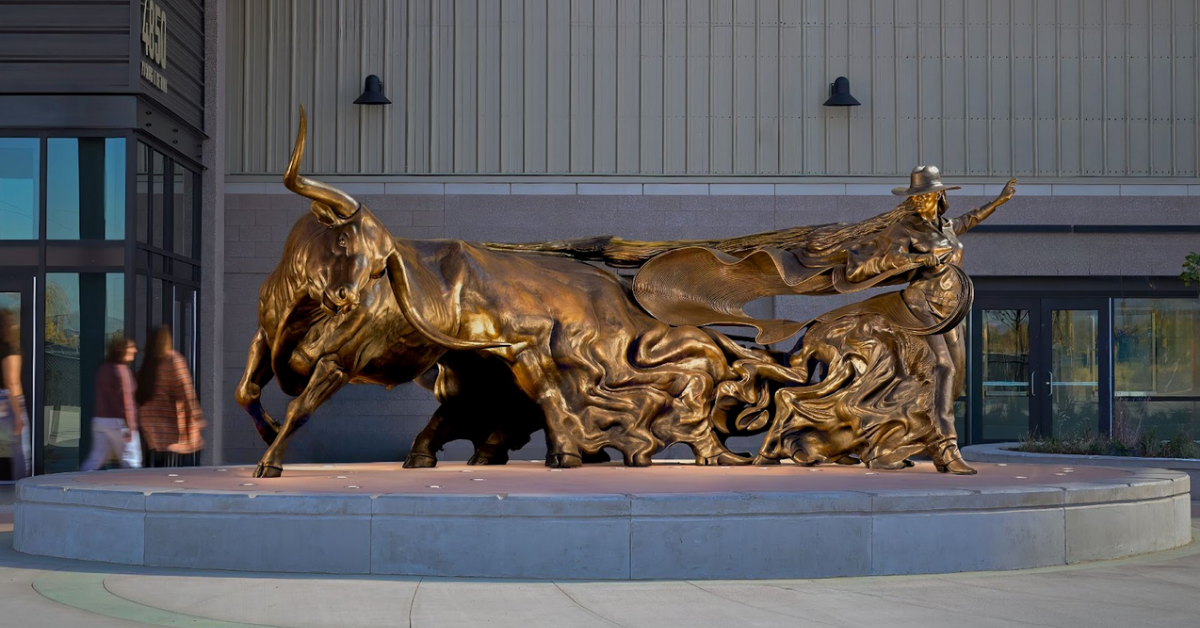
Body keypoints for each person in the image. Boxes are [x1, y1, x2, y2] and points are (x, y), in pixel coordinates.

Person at [136, 326, 205, 466]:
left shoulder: (148, 362)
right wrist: (196, 416)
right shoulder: (173, 359)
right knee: (171, 463)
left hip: (148, 420)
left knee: (153, 461)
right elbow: (185, 390)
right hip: (169, 420)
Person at [81, 335, 142, 471]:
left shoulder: (103, 369)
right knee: (131, 460)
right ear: (122, 350)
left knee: (96, 459)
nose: (135, 350)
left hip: (100, 420)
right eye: (131, 347)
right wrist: (130, 426)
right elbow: (126, 400)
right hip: (119, 422)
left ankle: (75, 480)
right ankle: (134, 483)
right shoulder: (121, 370)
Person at [0, 309, 29, 480]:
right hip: (8, 401)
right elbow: (12, 382)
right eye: (13, 323)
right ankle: (22, 486)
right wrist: (18, 415)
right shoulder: (10, 350)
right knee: (21, 450)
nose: (16, 326)